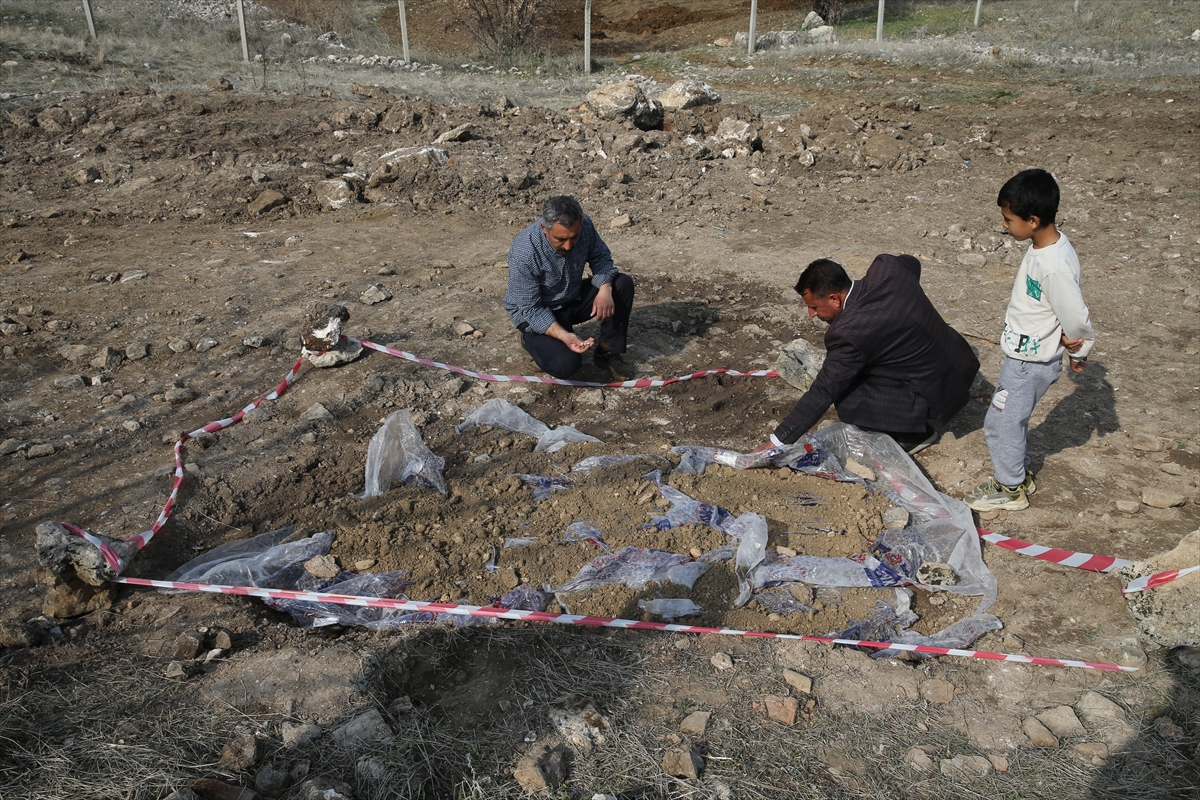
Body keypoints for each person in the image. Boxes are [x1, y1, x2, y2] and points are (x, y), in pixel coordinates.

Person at [964, 169, 1094, 512]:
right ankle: (1017, 473)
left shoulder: (1053, 265)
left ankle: (1010, 487)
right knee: (1010, 418)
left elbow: (1075, 315)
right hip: (1026, 356)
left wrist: (1079, 350)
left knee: (1000, 423)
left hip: (1028, 362)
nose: (1004, 225)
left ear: (1033, 220)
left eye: (1008, 219)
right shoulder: (1047, 248)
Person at [755, 254, 979, 454]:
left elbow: (824, 390)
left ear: (835, 299)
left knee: (846, 391)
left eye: (815, 307)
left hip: (937, 395)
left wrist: (778, 441)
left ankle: (912, 435)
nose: (812, 314)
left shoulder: (848, 332)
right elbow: (912, 263)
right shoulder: (888, 268)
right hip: (961, 365)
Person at [503, 196, 635, 380]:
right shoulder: (524, 252)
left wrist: (605, 289)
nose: (568, 245)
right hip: (537, 312)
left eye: (574, 237)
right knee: (566, 366)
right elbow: (531, 309)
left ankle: (607, 354)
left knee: (622, 285)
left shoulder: (585, 225)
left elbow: (601, 258)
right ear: (544, 228)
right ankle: (529, 342)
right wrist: (566, 337)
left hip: (571, 297)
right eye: (560, 239)